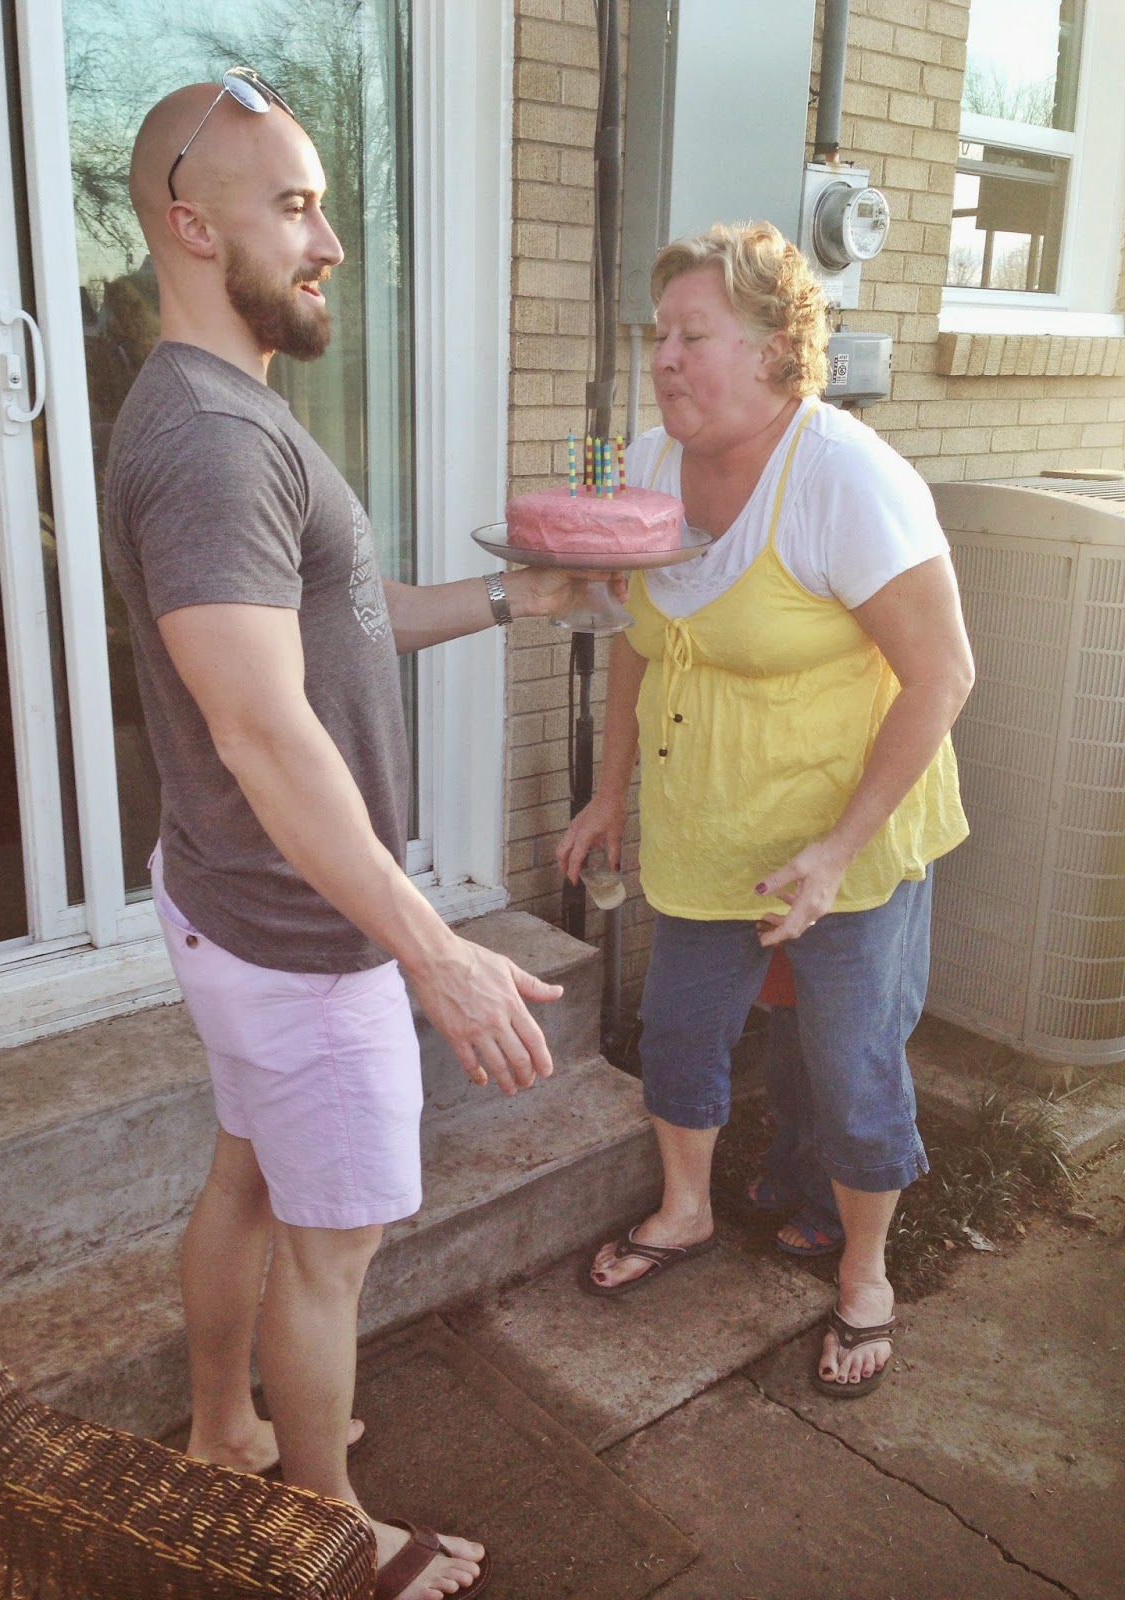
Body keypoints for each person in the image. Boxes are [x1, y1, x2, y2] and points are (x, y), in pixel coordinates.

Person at [109, 72, 592, 1599]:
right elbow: (261, 727)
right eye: (296, 208)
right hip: (302, 936)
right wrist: (430, 949)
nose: (330, 244)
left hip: (234, 903)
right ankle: (326, 1534)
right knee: (330, 1252)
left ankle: (223, 1432)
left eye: (326, 208)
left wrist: (519, 597)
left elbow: (341, 618)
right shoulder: (212, 439)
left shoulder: (230, 411)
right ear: (193, 226)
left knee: (250, 1180)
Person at [559, 221, 973, 1399]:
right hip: (709, 824)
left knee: (849, 1061)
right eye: (659, 336)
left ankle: (866, 1271)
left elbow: (943, 674)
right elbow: (639, 640)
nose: (664, 359)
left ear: (778, 347)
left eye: (692, 336)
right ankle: (686, 1208)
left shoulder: (846, 477)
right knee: (681, 1031)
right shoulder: (651, 466)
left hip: (846, 832)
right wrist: (609, 790)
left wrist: (836, 850)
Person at [745, 951, 844, 1257]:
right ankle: (789, 1176)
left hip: (834, 977)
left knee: (822, 1098)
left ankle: (830, 1208)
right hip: (791, 971)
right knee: (786, 1088)